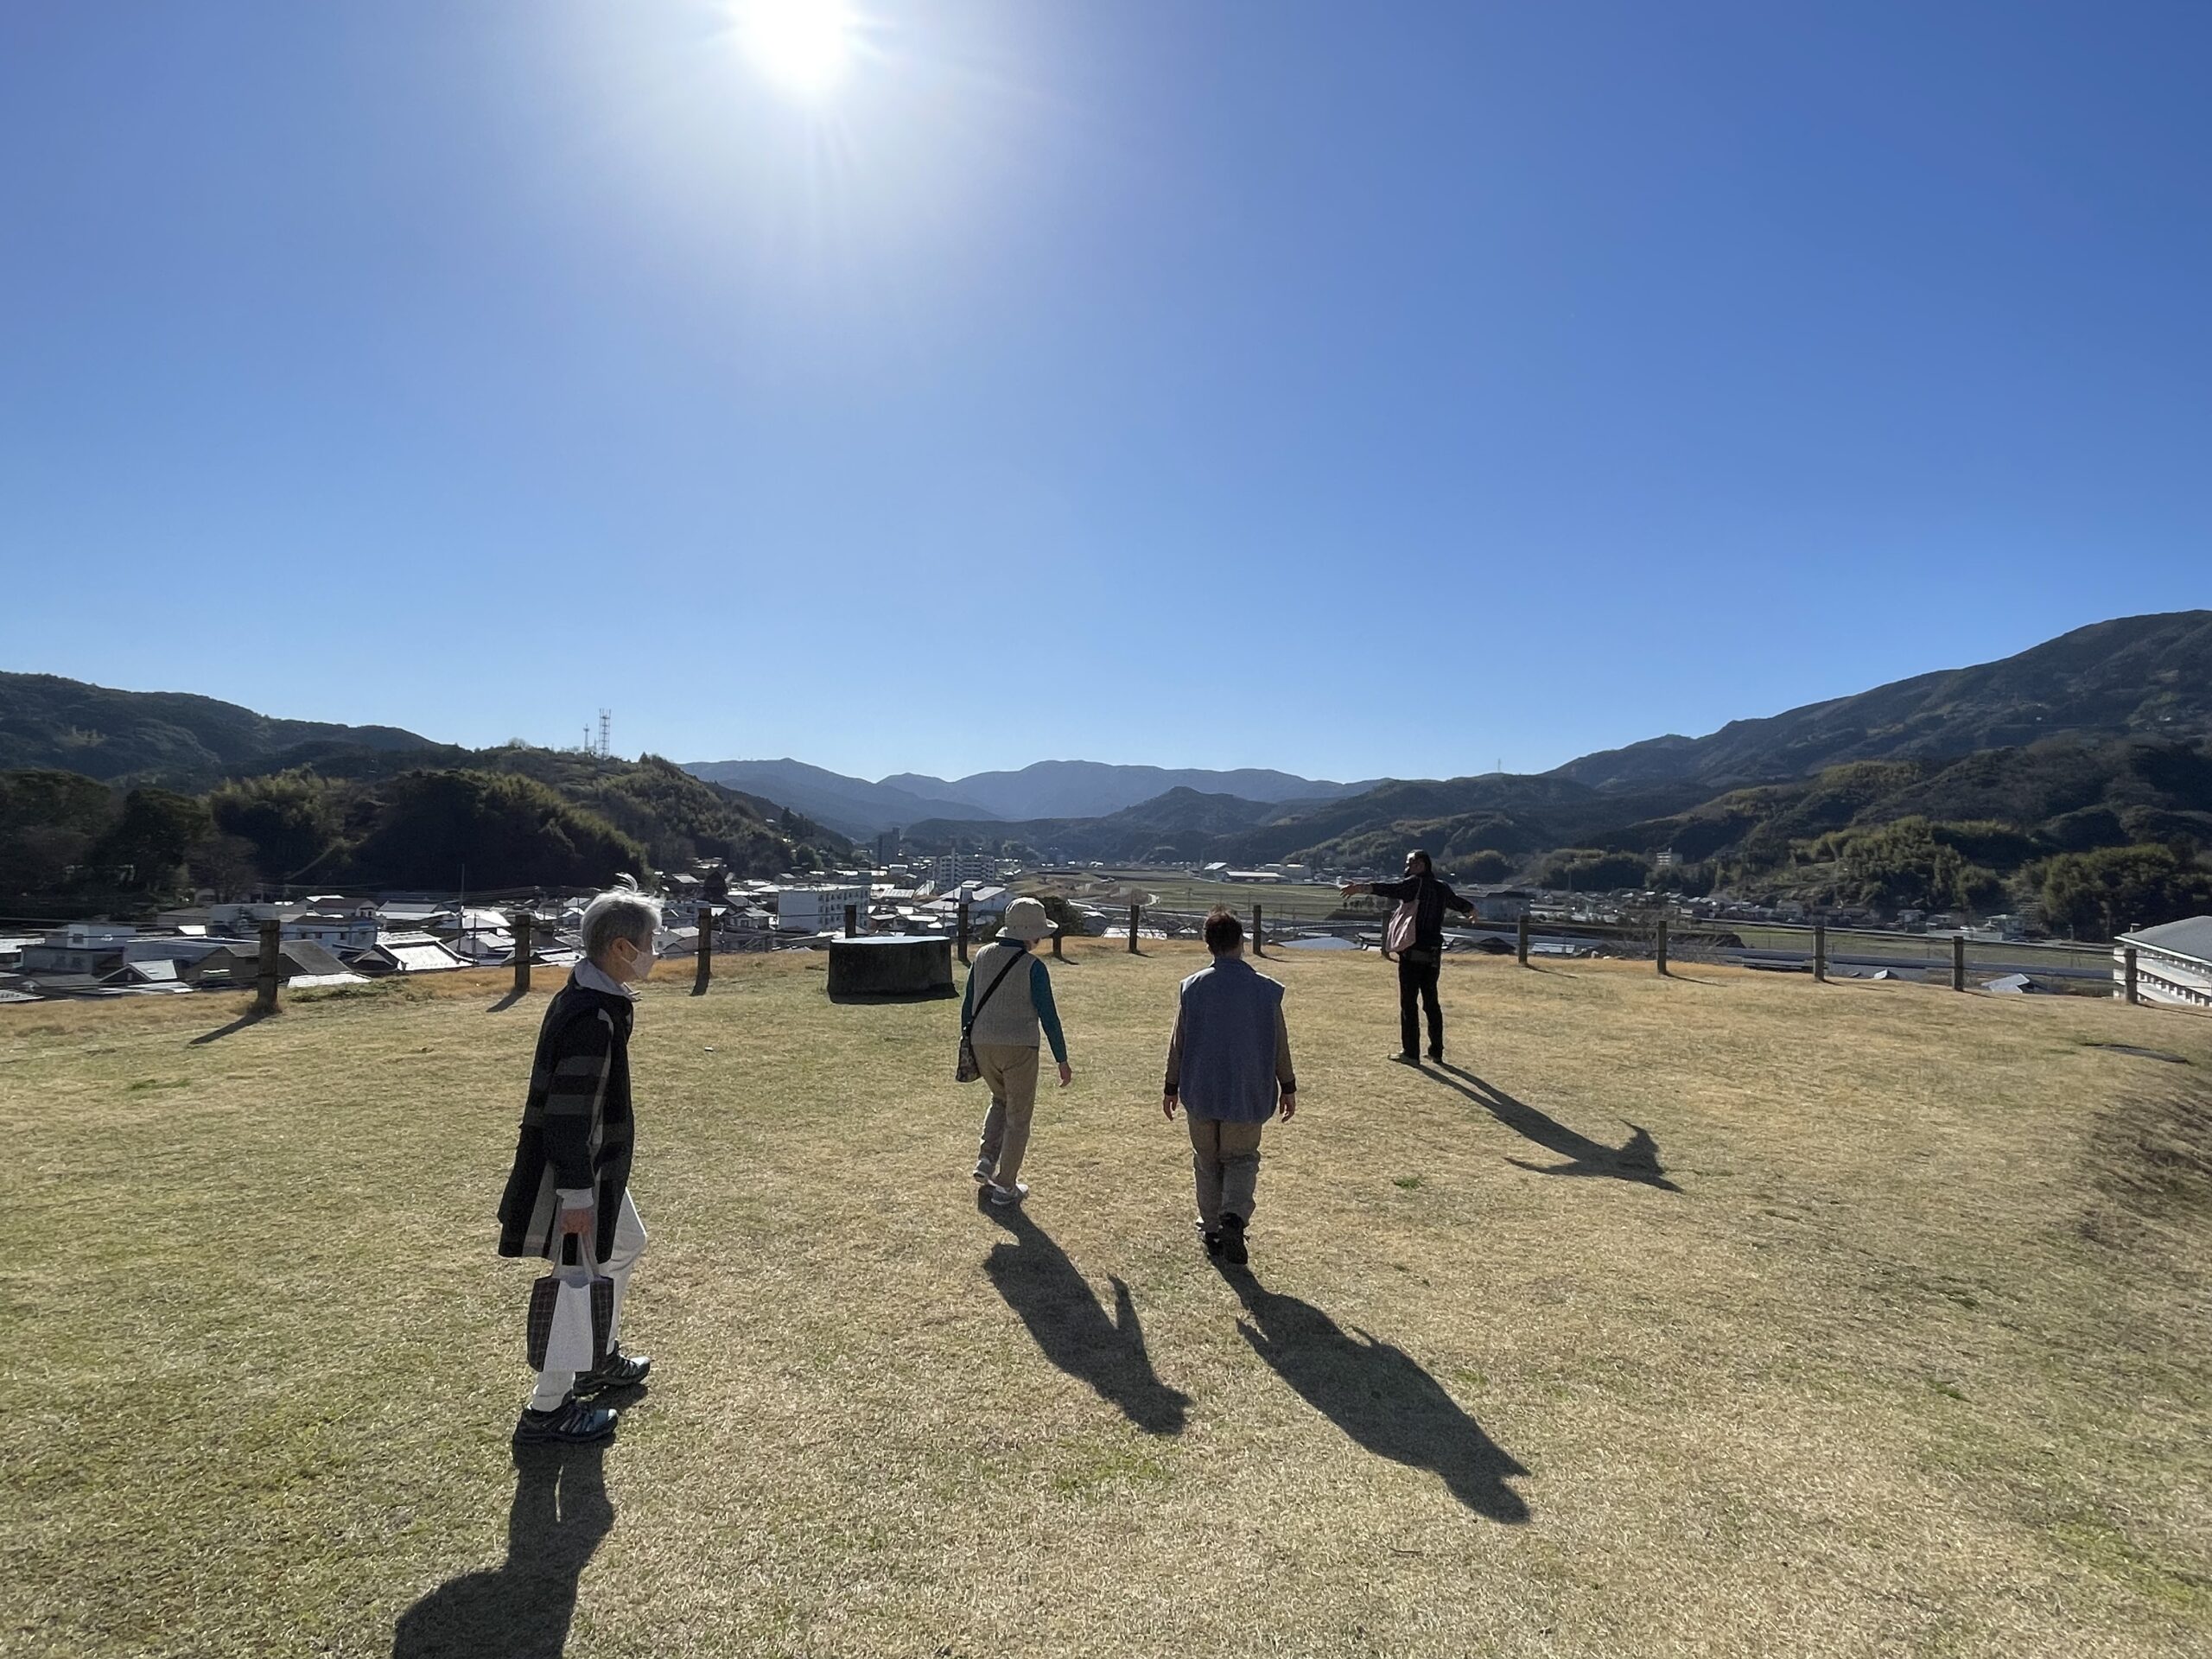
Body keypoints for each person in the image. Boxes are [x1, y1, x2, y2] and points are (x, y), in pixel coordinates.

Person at [497, 880, 661, 1446]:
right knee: (574, 1280)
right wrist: (575, 1193)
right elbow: (568, 1115)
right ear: (620, 948)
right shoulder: (592, 1017)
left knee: (626, 1242)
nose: (654, 952)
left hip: (594, 1167)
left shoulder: (591, 996)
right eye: (649, 942)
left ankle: (597, 1357)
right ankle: (548, 1408)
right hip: (578, 1172)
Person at [1162, 907, 1297, 1265]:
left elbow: (1178, 1042)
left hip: (1201, 1089)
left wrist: (1171, 1086)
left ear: (1208, 944)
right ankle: (1233, 1217)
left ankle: (1211, 1229)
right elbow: (1280, 1044)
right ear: (1242, 941)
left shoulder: (1192, 987)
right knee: (1241, 1159)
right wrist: (1288, 1085)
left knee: (1206, 1160)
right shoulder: (1266, 990)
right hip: (1246, 1091)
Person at [963, 896, 1072, 1206]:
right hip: (1019, 1046)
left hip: (982, 1042)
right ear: (1031, 934)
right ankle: (1005, 1185)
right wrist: (1062, 1059)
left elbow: (968, 1003)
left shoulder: (982, 956)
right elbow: (1049, 1016)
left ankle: (986, 1160)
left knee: (999, 1099)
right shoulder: (1033, 967)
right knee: (1018, 1116)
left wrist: (968, 1040)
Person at [1342, 849, 1476, 1063]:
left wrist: (1361, 888)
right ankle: (1436, 1051)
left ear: (1421, 864)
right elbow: (1457, 902)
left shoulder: (1415, 884)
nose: (1408, 867)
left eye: (1411, 863)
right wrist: (1471, 909)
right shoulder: (1441, 887)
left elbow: (1391, 889)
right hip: (1434, 952)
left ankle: (1411, 1052)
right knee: (1431, 1002)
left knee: (1409, 1002)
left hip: (1412, 950)